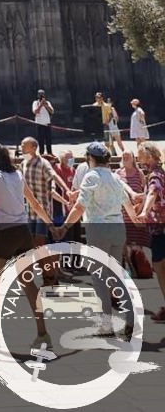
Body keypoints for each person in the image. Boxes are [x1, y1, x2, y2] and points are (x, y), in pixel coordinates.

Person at [0, 141, 57, 347]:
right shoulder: (18, 174)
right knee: (29, 283)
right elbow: (34, 203)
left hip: (3, 233)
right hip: (23, 232)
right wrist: (50, 225)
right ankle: (43, 333)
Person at [57, 141, 141, 329]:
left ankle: (106, 323)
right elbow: (127, 203)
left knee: (99, 277)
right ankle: (130, 318)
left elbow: (79, 207)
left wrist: (64, 227)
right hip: (118, 227)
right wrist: (136, 219)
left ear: (90, 158)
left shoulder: (91, 176)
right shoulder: (115, 177)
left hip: (98, 229)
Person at [19, 136, 70, 242]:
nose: (21, 147)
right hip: (30, 210)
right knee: (30, 242)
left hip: (43, 210)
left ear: (33, 148)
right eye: (21, 145)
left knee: (40, 241)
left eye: (24, 146)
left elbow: (54, 176)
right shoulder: (23, 164)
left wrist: (66, 190)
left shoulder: (43, 163)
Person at [137, 143, 165, 320]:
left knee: (159, 267)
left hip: (159, 228)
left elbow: (153, 192)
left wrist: (144, 212)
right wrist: (140, 202)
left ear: (149, 156)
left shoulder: (154, 175)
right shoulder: (160, 172)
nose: (139, 159)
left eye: (140, 155)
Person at [31, 90, 54, 154]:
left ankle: (50, 154)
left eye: (42, 94)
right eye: (40, 94)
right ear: (38, 95)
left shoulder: (48, 102)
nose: (41, 95)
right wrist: (41, 105)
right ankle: (41, 154)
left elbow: (52, 111)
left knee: (48, 141)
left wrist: (46, 105)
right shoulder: (35, 103)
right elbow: (35, 112)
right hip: (39, 124)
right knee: (41, 141)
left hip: (47, 123)